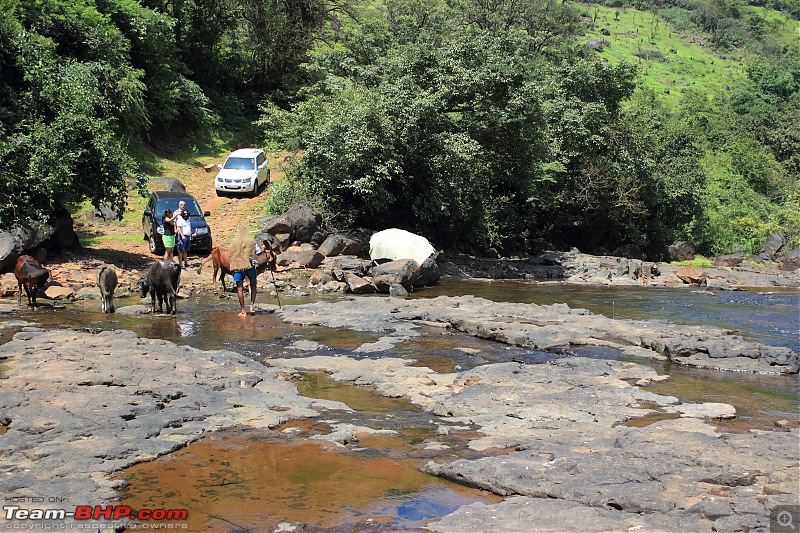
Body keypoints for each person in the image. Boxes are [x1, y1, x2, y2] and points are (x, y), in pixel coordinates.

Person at [229, 221, 258, 317]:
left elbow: (231, 255)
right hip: (249, 266)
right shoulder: (251, 241)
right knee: (253, 285)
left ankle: (243, 310)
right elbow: (257, 252)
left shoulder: (234, 242)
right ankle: (252, 306)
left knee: (240, 288)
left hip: (238, 267)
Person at [174, 201, 191, 268]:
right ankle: (181, 263)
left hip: (187, 236)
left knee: (185, 250)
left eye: (184, 205)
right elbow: (177, 224)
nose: (183, 206)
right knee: (181, 249)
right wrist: (181, 235)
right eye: (181, 205)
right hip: (182, 235)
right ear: (179, 205)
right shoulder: (178, 215)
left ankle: (186, 262)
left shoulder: (187, 219)